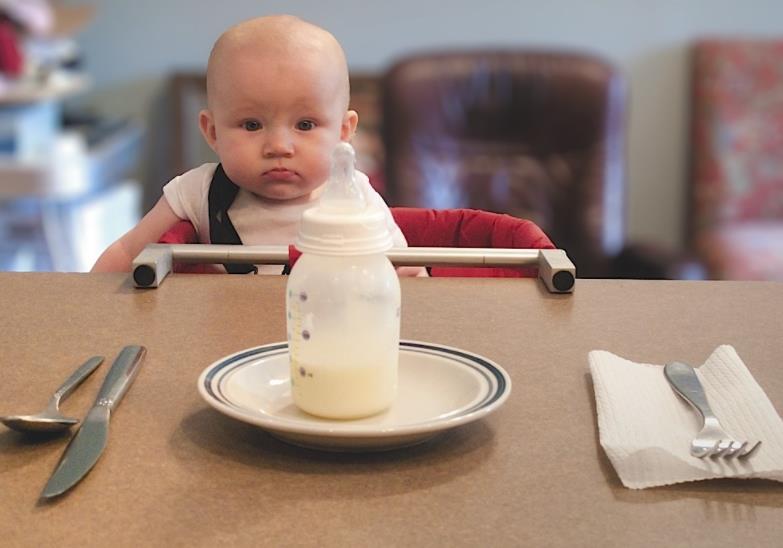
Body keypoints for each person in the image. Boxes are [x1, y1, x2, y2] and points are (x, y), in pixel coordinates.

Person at [92, 14, 422, 275]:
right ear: (213, 132)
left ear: (343, 131)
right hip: (224, 346)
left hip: (323, 340)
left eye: (305, 125)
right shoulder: (196, 193)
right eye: (252, 125)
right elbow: (125, 252)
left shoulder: (354, 196)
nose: (278, 146)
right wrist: (84, 304)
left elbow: (407, 273)